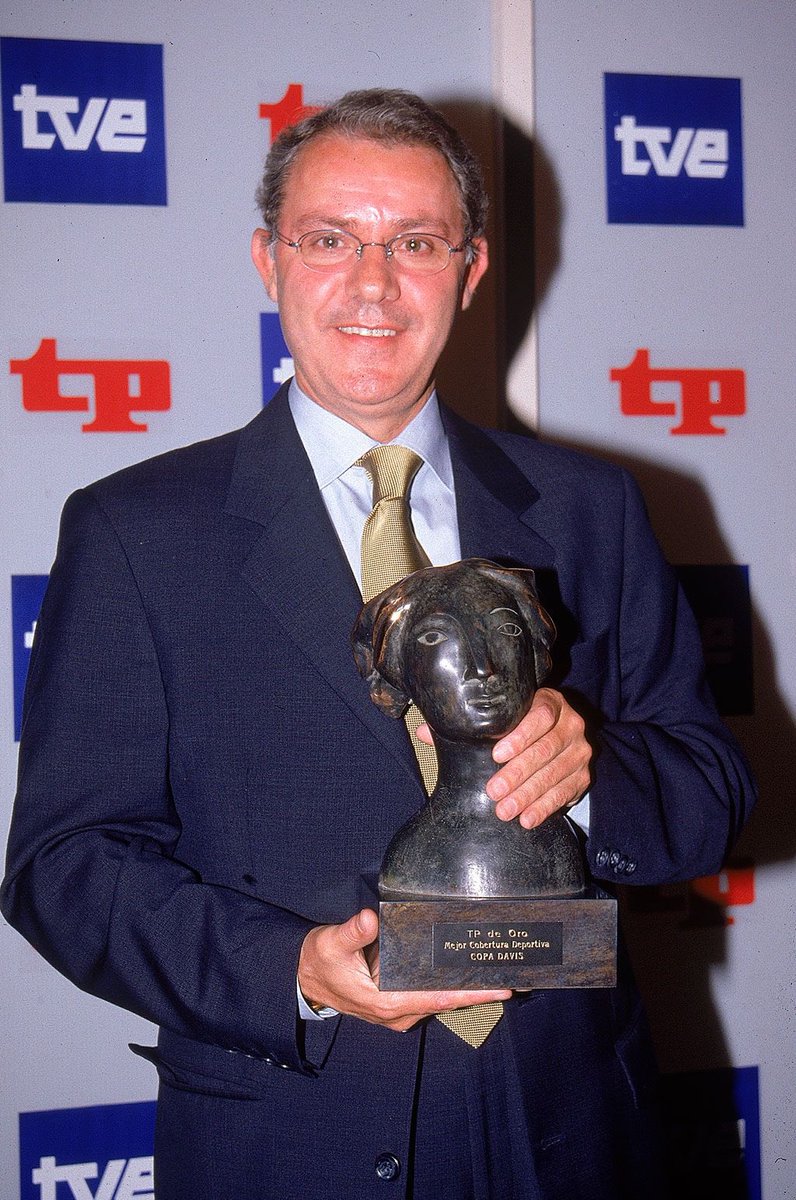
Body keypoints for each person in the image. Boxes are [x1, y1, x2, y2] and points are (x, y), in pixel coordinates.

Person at [1, 89, 755, 1200]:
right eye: (328, 239)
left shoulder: (591, 510)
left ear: (473, 268)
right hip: (291, 1128)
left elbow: (712, 791)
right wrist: (289, 971)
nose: (371, 282)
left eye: (414, 242)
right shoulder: (135, 531)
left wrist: (589, 776)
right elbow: (63, 867)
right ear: (268, 260)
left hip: (577, 1130)